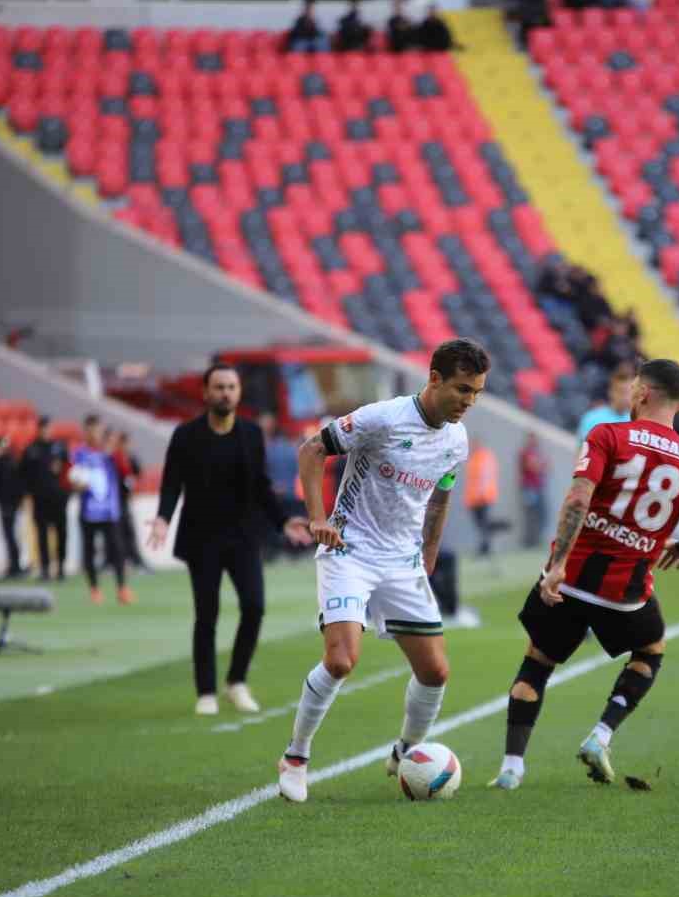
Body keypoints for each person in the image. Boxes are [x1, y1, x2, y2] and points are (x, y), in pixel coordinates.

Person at [489, 358, 679, 790]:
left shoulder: (607, 435)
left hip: (571, 578)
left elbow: (578, 499)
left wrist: (557, 566)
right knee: (650, 650)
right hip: (626, 592)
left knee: (537, 662)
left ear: (643, 393)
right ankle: (601, 734)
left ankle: (511, 768)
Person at [275, 338, 488, 803]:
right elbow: (313, 450)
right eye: (462, 390)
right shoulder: (382, 419)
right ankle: (296, 756)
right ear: (434, 379)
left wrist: (429, 553)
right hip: (349, 550)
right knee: (341, 659)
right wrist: (317, 518)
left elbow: (441, 495)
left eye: (476, 393)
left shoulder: (456, 440)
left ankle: (407, 752)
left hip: (402, 562)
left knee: (435, 673)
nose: (469, 402)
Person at [149, 365, 314, 717]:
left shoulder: (251, 435)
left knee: (254, 608)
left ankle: (236, 681)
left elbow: (260, 486)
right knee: (206, 615)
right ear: (206, 393)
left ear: (239, 393)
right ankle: (206, 691)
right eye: (219, 387)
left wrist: (283, 521)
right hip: (201, 539)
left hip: (242, 536)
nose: (225, 393)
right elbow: (171, 484)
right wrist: (163, 519)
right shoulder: (186, 436)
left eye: (231, 387)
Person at [72, 420, 132, 605]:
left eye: (97, 431)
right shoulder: (79, 454)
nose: (94, 435)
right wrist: (76, 484)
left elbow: (126, 471)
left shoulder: (110, 453)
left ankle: (122, 588)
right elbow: (72, 477)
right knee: (89, 551)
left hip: (109, 510)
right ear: (85, 432)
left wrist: (118, 451)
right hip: (88, 511)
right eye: (90, 431)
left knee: (117, 550)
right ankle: (94, 589)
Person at [21, 416, 70, 581]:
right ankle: (45, 568)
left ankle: (61, 567)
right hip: (39, 499)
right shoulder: (31, 449)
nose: (45, 431)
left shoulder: (60, 448)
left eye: (47, 428)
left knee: (61, 532)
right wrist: (28, 493)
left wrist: (66, 493)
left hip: (58, 498)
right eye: (43, 428)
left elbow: (69, 471)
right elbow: (24, 474)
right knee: (42, 534)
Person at [109, 430, 148, 574]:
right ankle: (118, 561)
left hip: (124, 501)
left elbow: (138, 474)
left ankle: (133, 560)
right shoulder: (115, 458)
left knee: (128, 532)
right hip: (115, 501)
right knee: (117, 533)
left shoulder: (130, 458)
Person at [0, 435, 28, 580]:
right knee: (10, 536)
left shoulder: (7, 463)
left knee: (11, 535)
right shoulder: (4, 462)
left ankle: (16, 565)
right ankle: (14, 564)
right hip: (7, 504)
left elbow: (13, 485)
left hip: (9, 504)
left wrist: (14, 502)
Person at [576, 363, 636, 440]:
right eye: (622, 392)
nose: (625, 398)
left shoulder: (633, 426)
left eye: (629, 394)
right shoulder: (592, 417)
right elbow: (582, 448)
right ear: (611, 391)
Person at [465, 442, 501, 556]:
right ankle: (485, 546)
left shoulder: (484, 458)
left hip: (482, 498)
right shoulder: (474, 459)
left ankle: (485, 547)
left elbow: (485, 478)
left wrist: (483, 495)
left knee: (483, 524)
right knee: (481, 524)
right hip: (474, 498)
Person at [518, 432, 549, 549]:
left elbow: (545, 466)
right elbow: (532, 466)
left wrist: (540, 465)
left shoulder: (537, 452)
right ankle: (529, 541)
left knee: (541, 514)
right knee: (530, 515)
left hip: (538, 487)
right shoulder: (526, 452)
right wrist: (541, 465)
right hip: (529, 488)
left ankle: (536, 539)